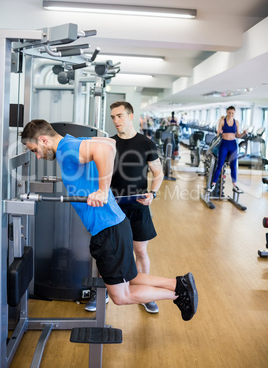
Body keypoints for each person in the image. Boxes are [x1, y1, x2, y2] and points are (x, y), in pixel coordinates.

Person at [21, 119, 198, 322]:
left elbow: (104, 150)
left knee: (121, 296)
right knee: (130, 278)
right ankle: (179, 284)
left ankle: (178, 294)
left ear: (43, 140)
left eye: (34, 149)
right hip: (113, 225)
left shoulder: (67, 147)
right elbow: (110, 144)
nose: (37, 155)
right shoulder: (71, 142)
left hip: (108, 230)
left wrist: (103, 190)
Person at [111, 101, 163, 313]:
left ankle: (144, 293)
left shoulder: (146, 144)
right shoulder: (109, 143)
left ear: (131, 116)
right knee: (109, 252)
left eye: (120, 116)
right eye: (113, 117)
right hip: (113, 206)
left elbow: (158, 173)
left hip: (138, 204)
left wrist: (153, 193)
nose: (116, 121)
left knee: (140, 251)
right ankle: (103, 292)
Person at [208, 106, 247, 193]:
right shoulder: (222, 121)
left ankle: (234, 185)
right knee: (219, 165)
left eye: (232, 113)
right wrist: (219, 132)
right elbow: (218, 133)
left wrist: (244, 133)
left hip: (233, 144)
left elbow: (238, 135)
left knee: (233, 166)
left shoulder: (236, 122)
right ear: (226, 112)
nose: (230, 114)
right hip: (224, 144)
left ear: (234, 113)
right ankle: (213, 185)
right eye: (229, 112)